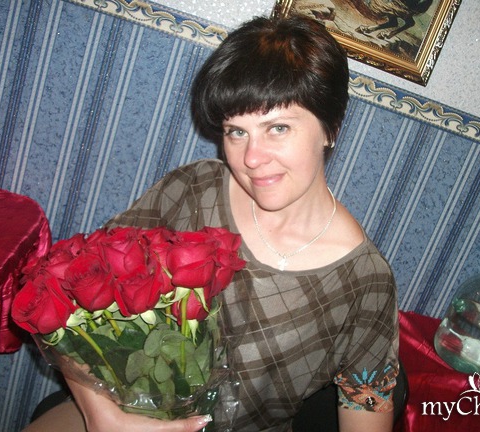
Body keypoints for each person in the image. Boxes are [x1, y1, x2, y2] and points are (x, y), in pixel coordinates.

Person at [24, 14, 398, 432]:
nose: (251, 158)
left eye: (277, 128)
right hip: (125, 413)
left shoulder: (365, 280)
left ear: (331, 128)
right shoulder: (193, 188)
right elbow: (63, 290)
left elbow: (367, 406)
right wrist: (100, 415)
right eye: (236, 132)